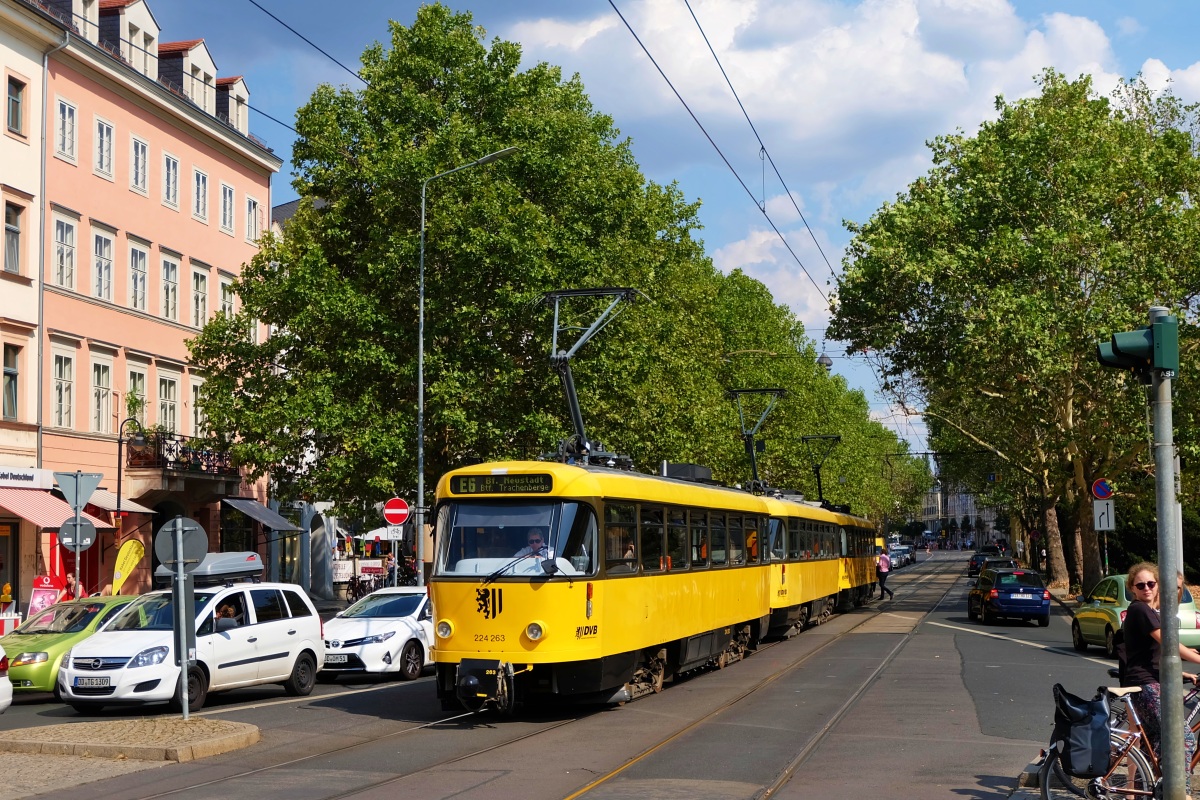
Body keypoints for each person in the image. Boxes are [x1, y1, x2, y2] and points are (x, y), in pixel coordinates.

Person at [1123, 562, 1200, 792]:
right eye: (1141, 585)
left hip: (1144, 680)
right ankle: (1181, 793)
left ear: (1157, 586)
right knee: (1183, 738)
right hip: (1145, 683)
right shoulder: (1140, 610)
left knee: (1151, 748)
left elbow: (1152, 656)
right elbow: (1168, 643)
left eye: (1151, 584)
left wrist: (1181, 671)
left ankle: (1143, 794)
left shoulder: (1148, 611)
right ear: (1133, 588)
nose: (1146, 588)